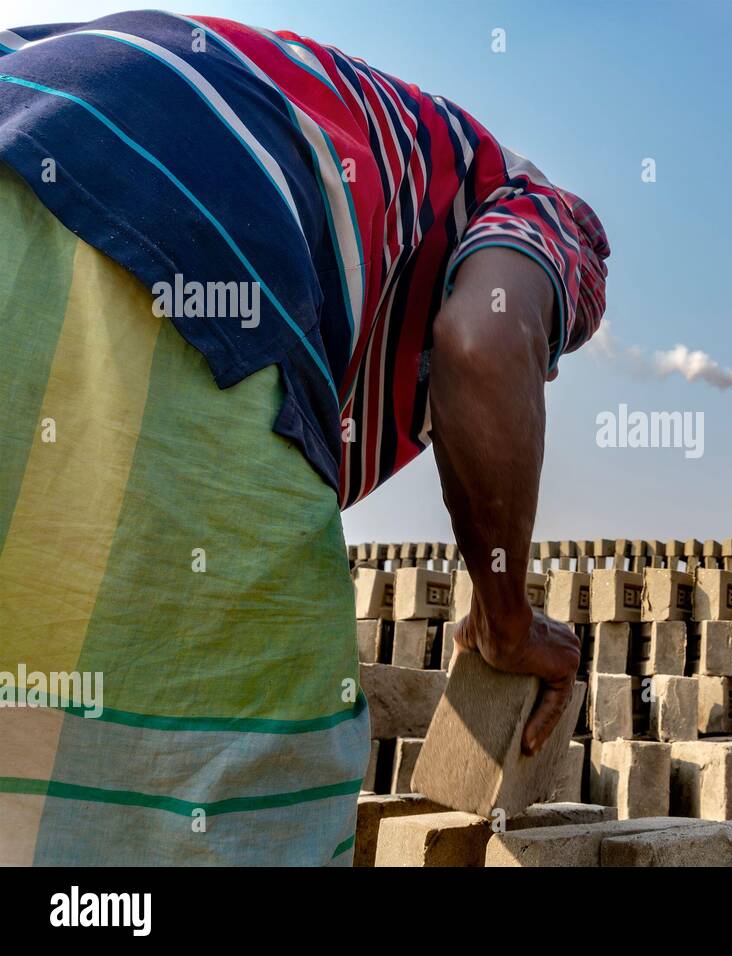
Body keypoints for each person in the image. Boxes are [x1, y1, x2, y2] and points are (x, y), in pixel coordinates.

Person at [0, 11, 608, 865]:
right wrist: (506, 620)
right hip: (179, 250)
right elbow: (486, 344)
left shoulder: (361, 136)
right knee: (224, 800)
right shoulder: (541, 208)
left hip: (23, 129)